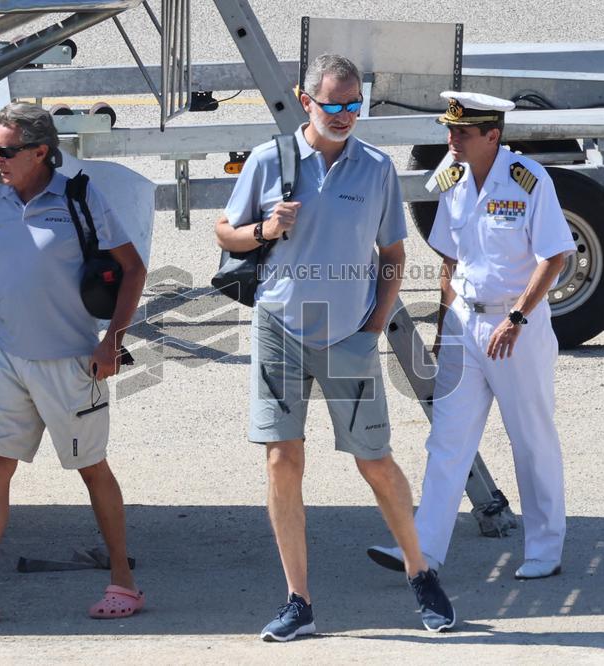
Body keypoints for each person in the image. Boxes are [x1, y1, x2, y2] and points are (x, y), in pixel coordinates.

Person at [215, 54, 455, 641]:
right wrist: (267, 230)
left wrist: (374, 326)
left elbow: (393, 258)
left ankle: (420, 573)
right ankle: (298, 600)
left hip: (349, 334)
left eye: (355, 105)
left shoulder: (374, 169)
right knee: (281, 458)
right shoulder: (270, 159)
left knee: (374, 460)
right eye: (335, 105)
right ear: (306, 101)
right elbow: (225, 233)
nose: (347, 115)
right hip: (279, 328)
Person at [0, 102, 148, 626]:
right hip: (8, 362)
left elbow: (133, 268)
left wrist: (111, 342)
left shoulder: (80, 197)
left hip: (72, 364)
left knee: (92, 470)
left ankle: (125, 583)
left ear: (41, 152)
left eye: (5, 151)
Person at [368, 91, 575, 581]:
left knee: (531, 440)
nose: (451, 138)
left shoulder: (529, 181)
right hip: (466, 323)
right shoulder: (454, 178)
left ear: (492, 136)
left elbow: (554, 256)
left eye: (462, 132)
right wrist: (443, 328)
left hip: (515, 328)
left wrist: (519, 317)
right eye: (450, 130)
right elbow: (450, 262)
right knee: (447, 440)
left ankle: (545, 549)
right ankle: (422, 552)